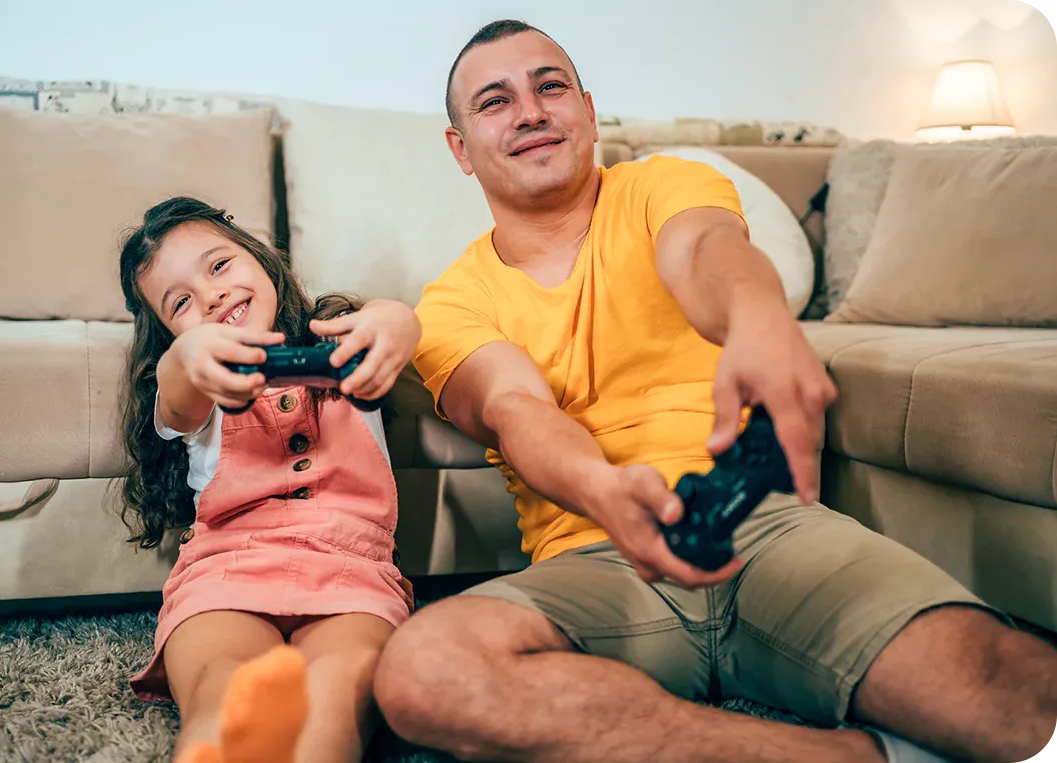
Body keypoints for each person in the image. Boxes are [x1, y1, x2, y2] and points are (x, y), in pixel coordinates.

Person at [372, 19, 1057, 763]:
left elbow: (705, 254)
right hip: (600, 561)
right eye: (495, 102)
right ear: (460, 149)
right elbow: (517, 409)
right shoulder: (447, 303)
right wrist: (600, 487)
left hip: (767, 529)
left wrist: (762, 319)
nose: (531, 111)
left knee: (1011, 684)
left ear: (590, 111)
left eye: (551, 86)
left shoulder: (668, 183)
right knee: (422, 672)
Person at [116, 196, 418, 763]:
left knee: (337, 689)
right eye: (181, 303)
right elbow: (177, 386)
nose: (211, 295)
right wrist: (190, 354)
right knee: (223, 685)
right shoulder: (192, 382)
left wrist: (399, 321)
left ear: (260, 258)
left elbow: (394, 323)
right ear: (166, 333)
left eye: (219, 266)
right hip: (228, 572)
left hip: (351, 574)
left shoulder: (344, 347)